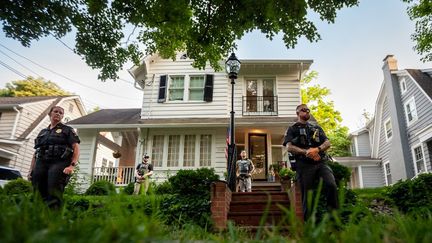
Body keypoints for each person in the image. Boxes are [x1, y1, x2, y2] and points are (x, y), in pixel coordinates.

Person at [283, 104, 338, 220]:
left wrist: (317, 149)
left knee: (331, 184)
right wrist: (307, 152)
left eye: (308, 110)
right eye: (304, 110)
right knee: (308, 198)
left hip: (320, 163)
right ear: (297, 113)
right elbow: (289, 147)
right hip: (304, 166)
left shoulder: (316, 128)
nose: (307, 112)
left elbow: (327, 143)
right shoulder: (292, 129)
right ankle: (309, 225)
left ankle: (333, 218)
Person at [28, 106, 80, 209]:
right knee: (37, 191)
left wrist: (72, 166)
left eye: (61, 113)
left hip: (59, 163)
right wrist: (31, 170)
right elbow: (36, 152)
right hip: (41, 162)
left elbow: (76, 148)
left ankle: (53, 219)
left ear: (62, 116)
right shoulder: (43, 132)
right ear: (50, 114)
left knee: (54, 191)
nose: (58, 114)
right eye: (55, 111)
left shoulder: (67, 130)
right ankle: (37, 218)